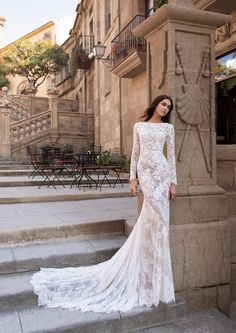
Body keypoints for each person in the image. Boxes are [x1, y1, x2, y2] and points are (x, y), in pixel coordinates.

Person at [30, 94, 177, 314]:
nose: (166, 108)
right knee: (151, 218)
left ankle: (156, 278)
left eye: (169, 107)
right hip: (146, 174)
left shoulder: (168, 129)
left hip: (162, 173)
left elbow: (172, 156)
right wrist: (132, 178)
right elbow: (135, 154)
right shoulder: (139, 126)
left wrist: (174, 182)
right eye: (163, 104)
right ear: (156, 104)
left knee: (160, 223)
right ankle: (145, 272)